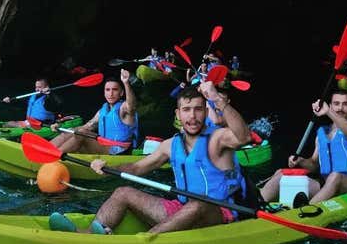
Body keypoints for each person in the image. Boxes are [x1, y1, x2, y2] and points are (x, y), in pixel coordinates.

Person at [55, 82, 250, 235]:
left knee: (198, 204)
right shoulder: (170, 145)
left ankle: (147, 240)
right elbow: (138, 168)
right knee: (122, 192)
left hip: (217, 214)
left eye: (198, 109)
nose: (193, 116)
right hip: (180, 210)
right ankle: (89, 233)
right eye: (186, 110)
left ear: (206, 112)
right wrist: (106, 168)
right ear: (178, 114)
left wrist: (217, 99)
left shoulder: (217, 138)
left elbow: (244, 137)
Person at [262, 88, 347, 205]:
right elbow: (313, 164)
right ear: (331, 106)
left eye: (345, 104)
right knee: (281, 174)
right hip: (323, 185)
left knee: (335, 176)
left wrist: (328, 112)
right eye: (336, 104)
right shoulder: (322, 134)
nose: (340, 108)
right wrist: (300, 161)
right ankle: (256, 206)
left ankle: (306, 210)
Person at [53, 69, 136, 155]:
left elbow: (131, 106)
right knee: (72, 132)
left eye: (114, 90)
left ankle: (54, 156)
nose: (110, 94)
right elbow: (87, 127)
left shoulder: (123, 109)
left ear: (121, 93)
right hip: (104, 145)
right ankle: (46, 152)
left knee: (81, 134)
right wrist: (62, 129)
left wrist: (126, 83)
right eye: (107, 90)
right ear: (104, 92)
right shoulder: (103, 110)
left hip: (119, 150)